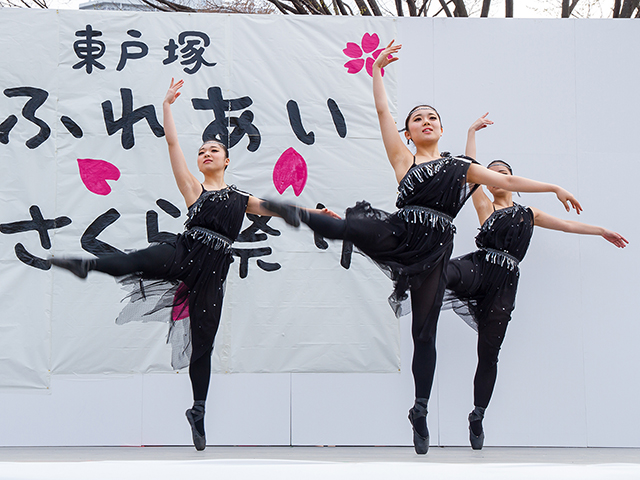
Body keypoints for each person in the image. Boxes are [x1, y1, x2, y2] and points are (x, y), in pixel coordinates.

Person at [263, 42, 582, 454]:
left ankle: (420, 409)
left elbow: (508, 184)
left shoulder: (460, 168)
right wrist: (376, 70)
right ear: (409, 131)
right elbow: (381, 114)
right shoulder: (403, 160)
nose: (425, 121)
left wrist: (553, 186)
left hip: (434, 251)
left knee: (424, 334)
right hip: (401, 230)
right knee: (356, 226)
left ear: (441, 129)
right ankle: (290, 212)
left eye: (432, 117)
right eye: (417, 118)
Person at [49, 79, 306, 451]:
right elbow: (172, 144)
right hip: (185, 251)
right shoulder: (192, 188)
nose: (206, 153)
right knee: (139, 260)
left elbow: (284, 210)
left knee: (204, 344)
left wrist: (319, 214)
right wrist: (167, 105)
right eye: (202, 149)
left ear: (227, 159)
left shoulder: (240, 198)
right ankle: (89, 266)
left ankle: (198, 410)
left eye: (213, 149)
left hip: (213, 272)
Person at [443, 114, 628, 450]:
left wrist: (601, 230)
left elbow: (567, 226)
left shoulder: (529, 213)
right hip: (480, 267)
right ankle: (405, 272)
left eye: (504, 174)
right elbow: (470, 166)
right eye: (492, 175)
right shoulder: (484, 204)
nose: (497, 178)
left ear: (513, 181)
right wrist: (470, 132)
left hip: (504, 286)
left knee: (489, 354)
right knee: (438, 275)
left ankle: (477, 415)